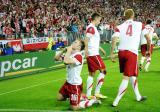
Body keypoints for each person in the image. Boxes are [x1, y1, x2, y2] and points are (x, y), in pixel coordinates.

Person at [110, 9, 150, 107]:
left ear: (125, 16)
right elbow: (148, 38)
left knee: (132, 75)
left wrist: (111, 53)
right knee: (126, 77)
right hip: (131, 53)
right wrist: (148, 49)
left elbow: (114, 38)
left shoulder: (119, 26)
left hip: (121, 52)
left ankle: (138, 96)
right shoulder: (140, 24)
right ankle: (116, 101)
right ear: (133, 15)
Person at [55, 39, 101, 111]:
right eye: (73, 41)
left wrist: (68, 50)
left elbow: (66, 61)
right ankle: (80, 97)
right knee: (59, 98)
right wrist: (64, 50)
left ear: (79, 47)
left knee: (74, 108)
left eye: (75, 42)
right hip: (68, 82)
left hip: (75, 85)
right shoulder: (70, 54)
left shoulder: (78, 56)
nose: (73, 43)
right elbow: (56, 58)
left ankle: (92, 101)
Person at [85, 13, 107, 99]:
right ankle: (97, 92)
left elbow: (92, 41)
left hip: (93, 53)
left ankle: (88, 94)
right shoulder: (91, 27)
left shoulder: (92, 28)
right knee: (103, 71)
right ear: (96, 19)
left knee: (92, 73)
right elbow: (86, 39)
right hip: (93, 53)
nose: (99, 21)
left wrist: (101, 50)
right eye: (99, 20)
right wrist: (86, 50)